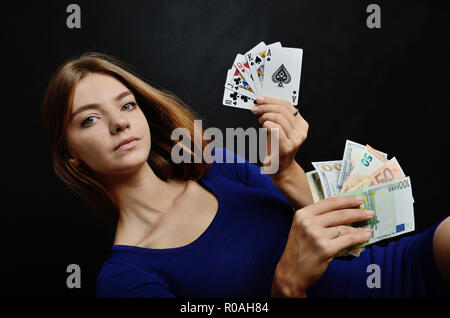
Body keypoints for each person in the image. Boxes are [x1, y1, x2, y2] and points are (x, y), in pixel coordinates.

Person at [41, 52, 450, 298]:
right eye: (90, 119)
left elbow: (354, 233)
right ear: (71, 155)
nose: (118, 124)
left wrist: (286, 169)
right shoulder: (126, 278)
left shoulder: (215, 164)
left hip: (402, 269)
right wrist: (286, 285)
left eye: (126, 105)